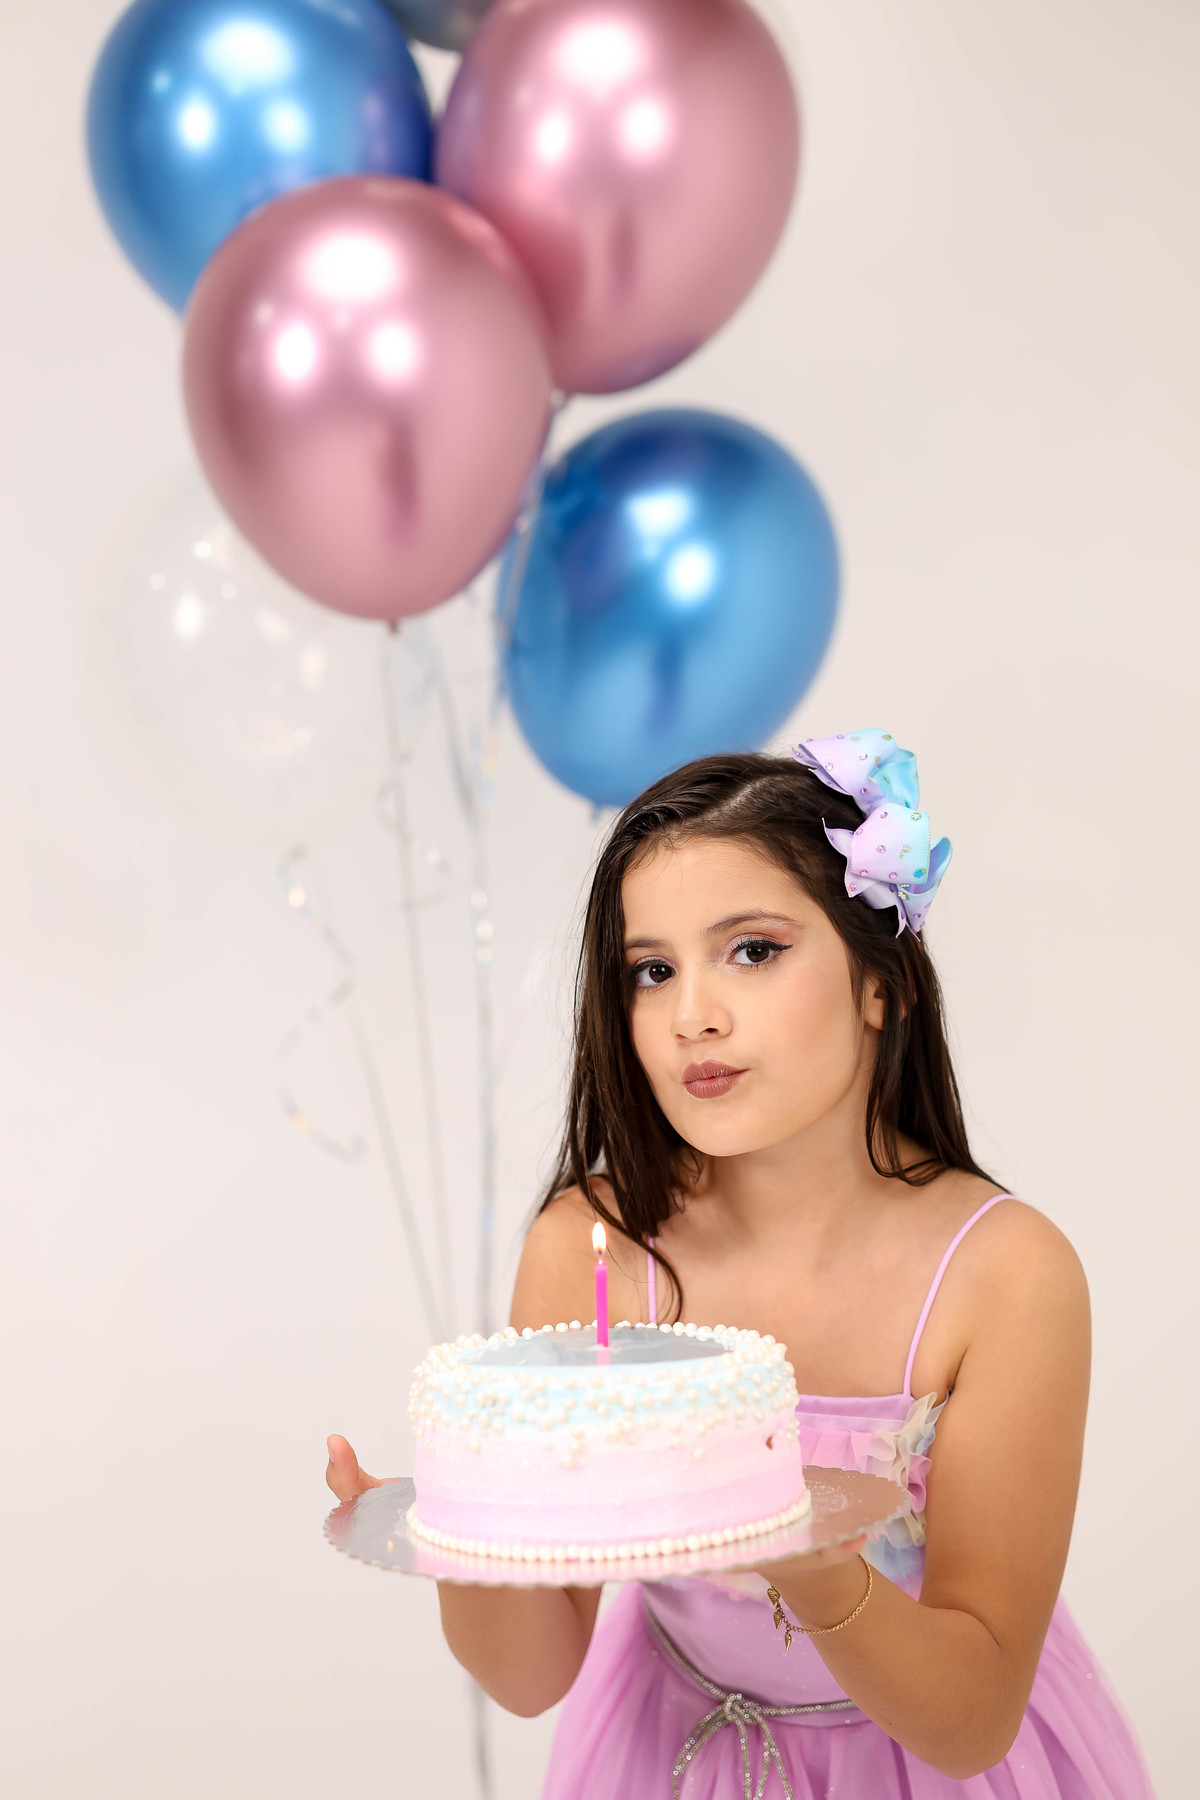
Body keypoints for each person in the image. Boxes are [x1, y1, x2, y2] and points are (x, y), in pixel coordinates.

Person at [327, 734, 1154, 1798]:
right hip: (668, 1753)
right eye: (652, 970)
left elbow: (972, 1722)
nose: (692, 1017)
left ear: (880, 983)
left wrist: (812, 1568)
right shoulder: (592, 1249)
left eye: (753, 951)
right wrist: (465, 1522)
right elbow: (532, 1678)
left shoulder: (1004, 1276)